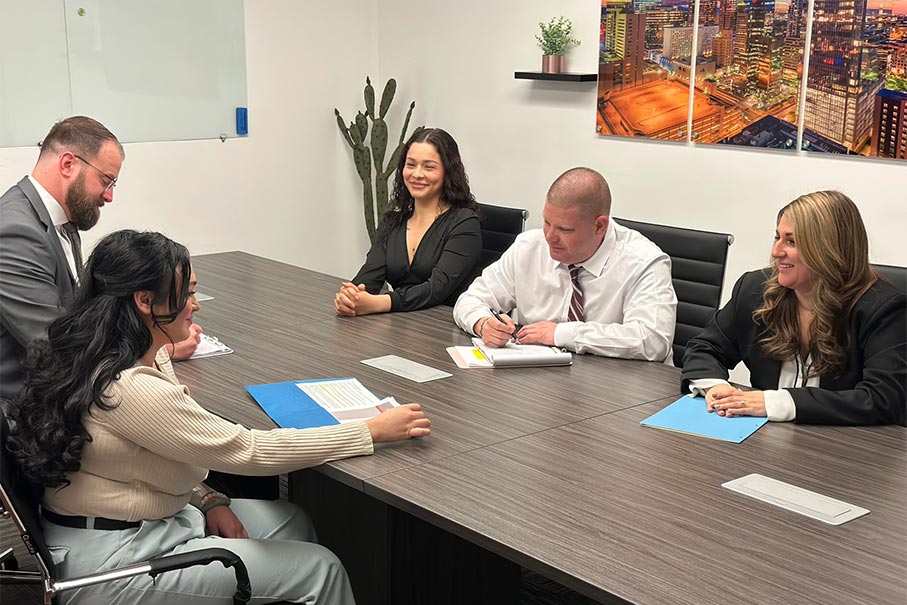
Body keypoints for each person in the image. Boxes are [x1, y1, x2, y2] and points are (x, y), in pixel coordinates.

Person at [8, 230, 432, 604]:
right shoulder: (130, 388)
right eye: (187, 293)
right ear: (144, 301)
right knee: (321, 569)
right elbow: (248, 450)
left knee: (291, 519)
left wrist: (209, 499)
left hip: (138, 520)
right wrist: (368, 432)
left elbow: (162, 450)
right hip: (113, 563)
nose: (195, 304)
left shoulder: (113, 352)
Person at [0, 116, 200, 409]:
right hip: (24, 412)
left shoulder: (62, 220)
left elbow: (79, 318)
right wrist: (156, 349)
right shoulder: (14, 231)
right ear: (68, 164)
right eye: (106, 180)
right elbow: (53, 341)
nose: (109, 195)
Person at [681, 191, 906, 426]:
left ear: (828, 250)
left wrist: (774, 403)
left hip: (842, 450)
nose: (776, 252)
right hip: (761, 441)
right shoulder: (754, 290)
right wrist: (717, 389)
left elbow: (882, 399)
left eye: (791, 242)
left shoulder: (883, 309)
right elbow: (705, 348)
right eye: (777, 237)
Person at [452, 167, 677, 362]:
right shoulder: (529, 247)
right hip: (539, 383)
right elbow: (470, 300)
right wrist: (483, 323)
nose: (550, 236)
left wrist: (562, 334)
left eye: (565, 229)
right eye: (547, 222)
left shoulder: (644, 262)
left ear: (600, 226)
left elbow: (653, 340)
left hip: (623, 390)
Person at [334, 128, 481, 316]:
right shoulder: (393, 220)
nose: (417, 174)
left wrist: (382, 302)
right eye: (410, 165)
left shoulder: (464, 223)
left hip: (446, 329)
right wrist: (351, 296)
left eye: (429, 167)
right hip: (400, 326)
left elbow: (437, 289)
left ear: (448, 172)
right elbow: (370, 275)